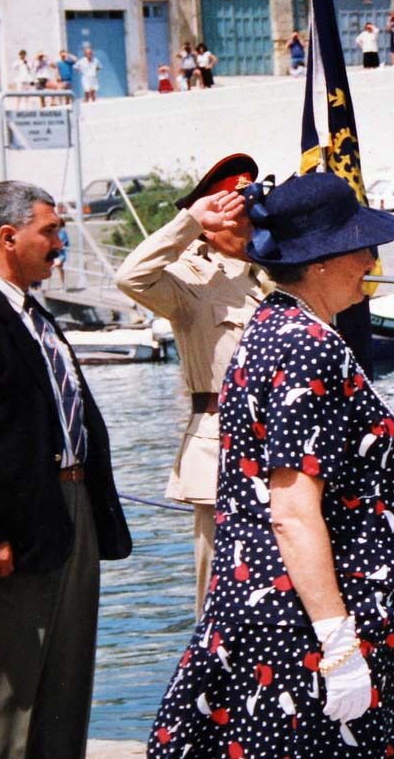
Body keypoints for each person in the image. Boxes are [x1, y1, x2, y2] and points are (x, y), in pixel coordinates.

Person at [148, 173, 394, 758]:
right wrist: (338, 642)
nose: (372, 258)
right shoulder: (304, 344)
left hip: (277, 610)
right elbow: (293, 512)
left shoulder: (273, 324)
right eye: (361, 245)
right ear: (321, 261)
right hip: (303, 625)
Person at [0, 181, 132, 758]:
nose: (61, 245)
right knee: (13, 689)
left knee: (66, 682)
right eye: (49, 231)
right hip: (19, 524)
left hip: (72, 512)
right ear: (8, 236)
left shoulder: (35, 315)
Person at [115, 154, 268, 615]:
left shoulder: (279, 271)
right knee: (221, 595)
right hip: (222, 449)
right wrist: (188, 221)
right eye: (228, 206)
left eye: (246, 202)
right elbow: (129, 277)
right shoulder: (188, 279)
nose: (242, 214)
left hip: (289, 444)